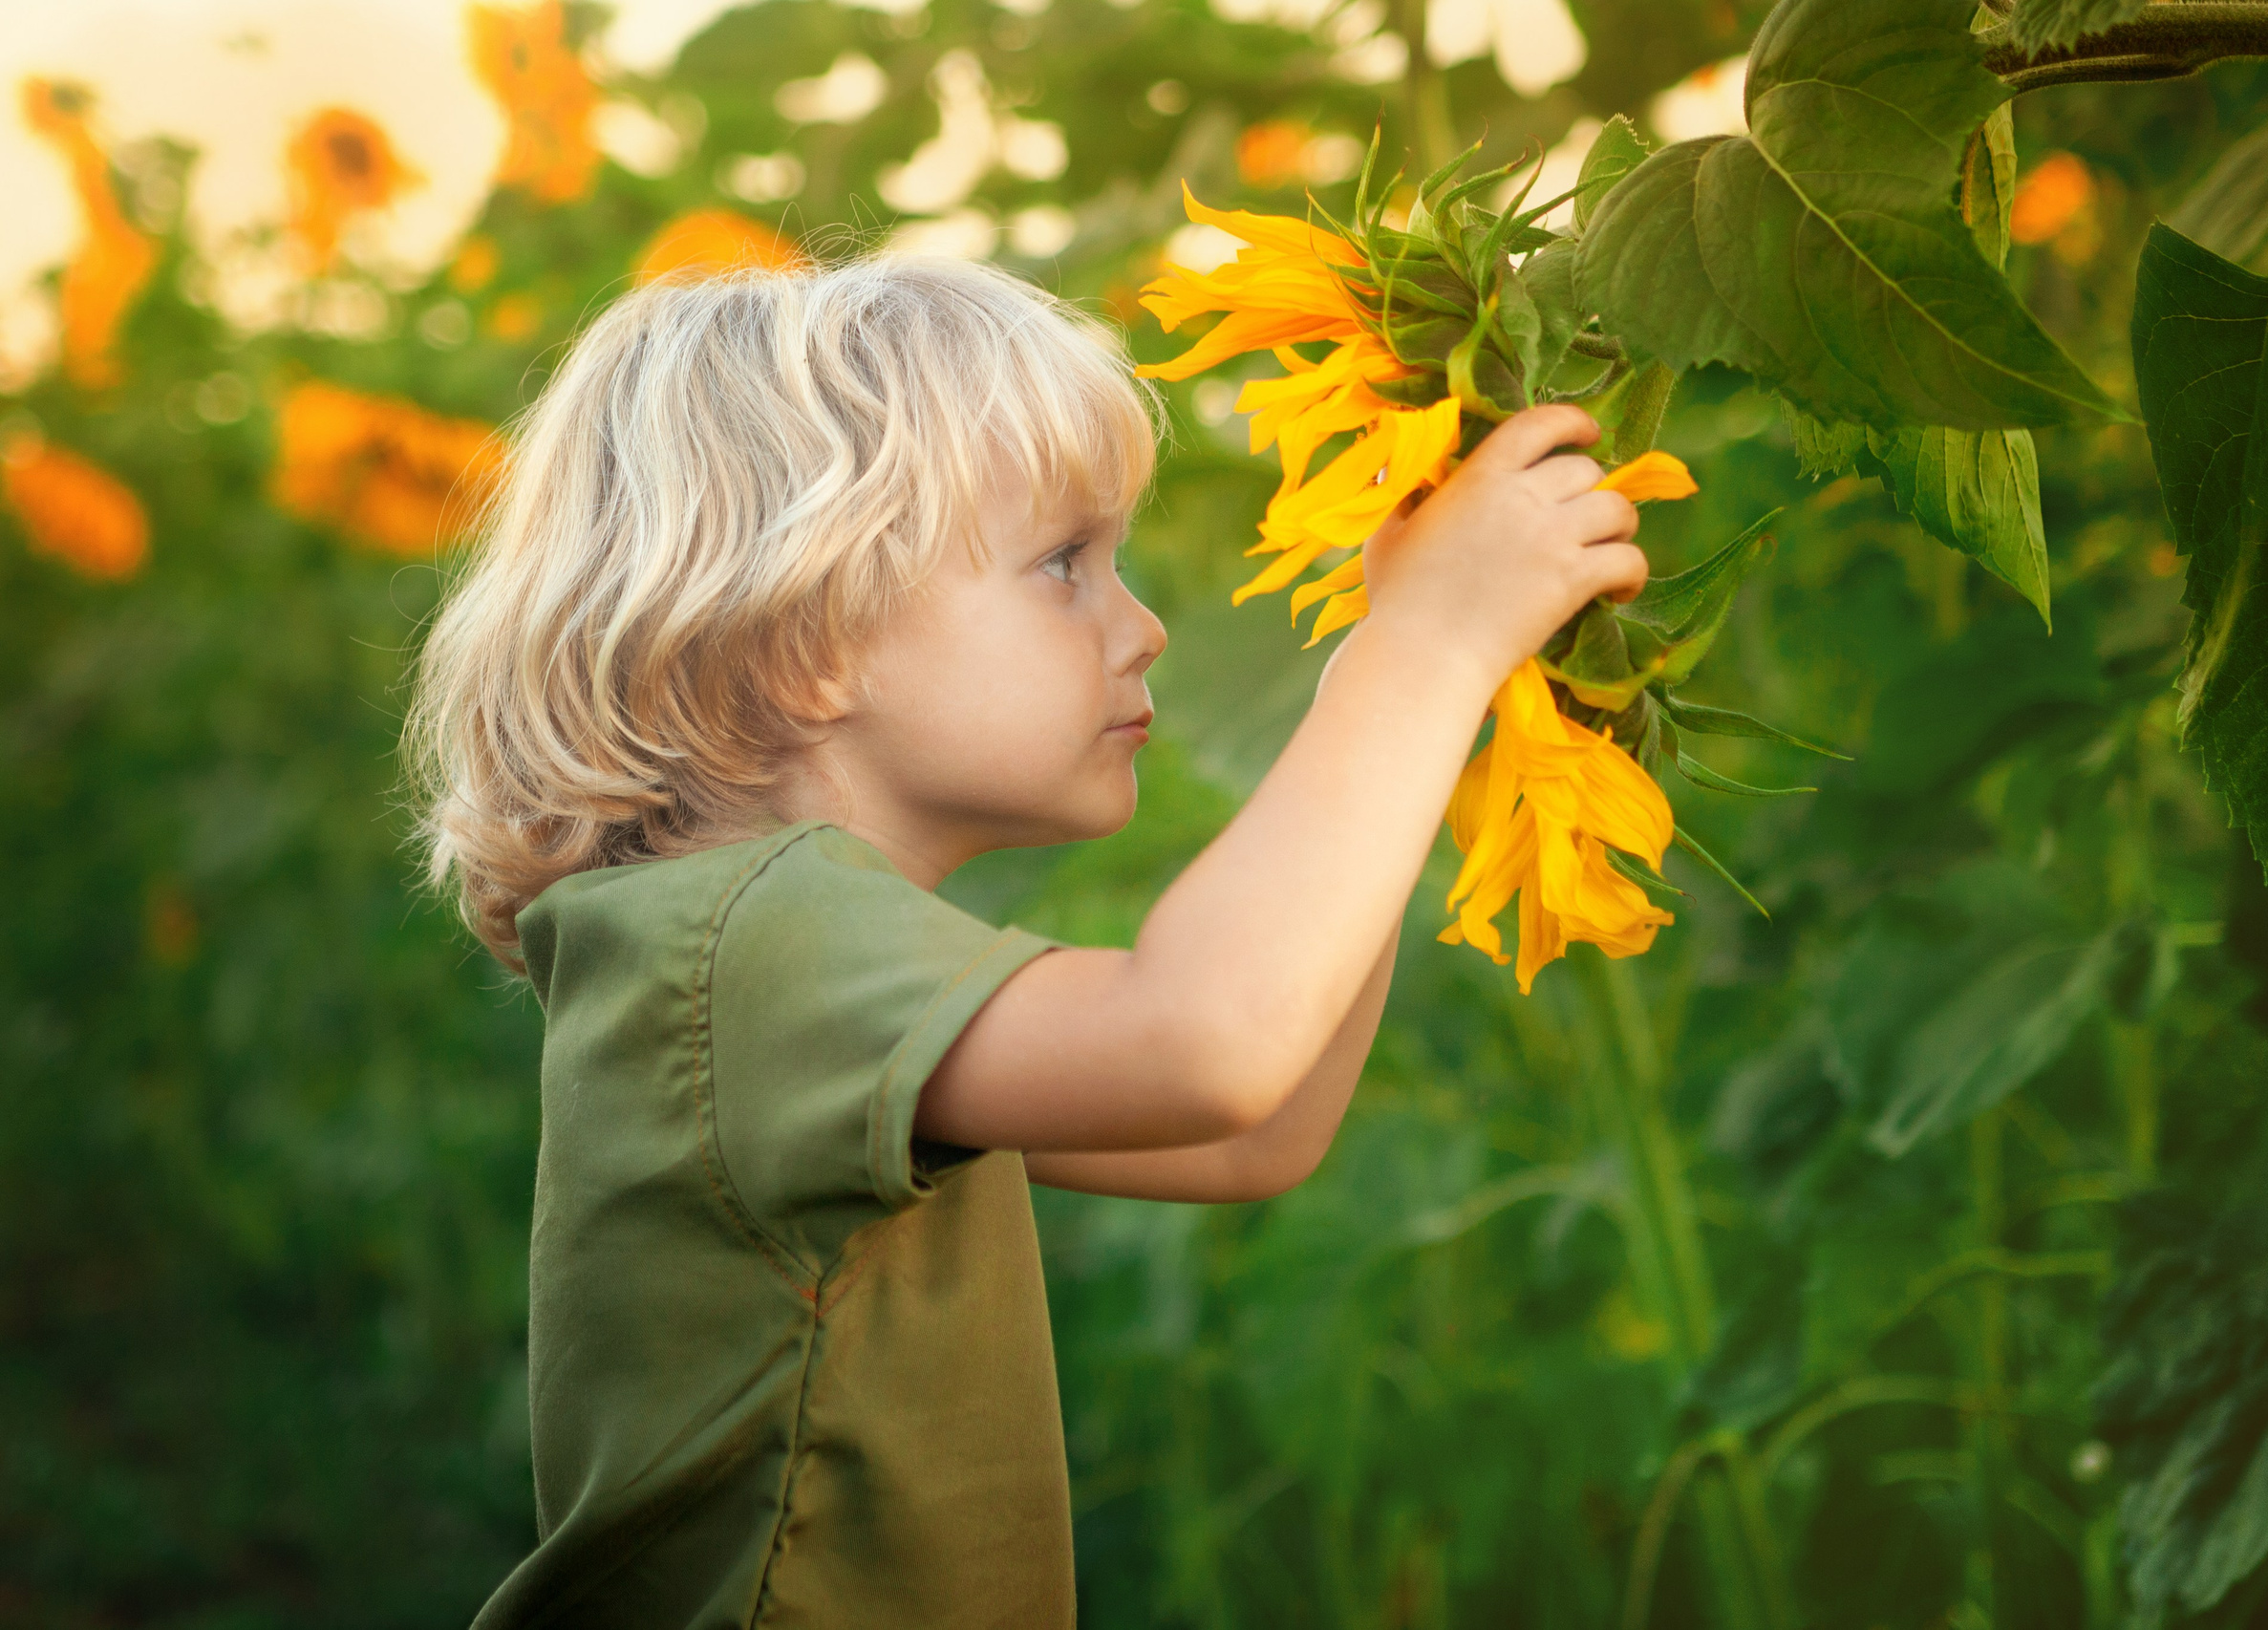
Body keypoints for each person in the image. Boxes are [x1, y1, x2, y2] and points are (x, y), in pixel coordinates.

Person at [405, 254, 1643, 1629]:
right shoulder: (751, 938)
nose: (1142, 625)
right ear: (812, 636)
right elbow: (1208, 1047)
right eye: (1064, 564)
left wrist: (1414, 713)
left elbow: (1253, 1128)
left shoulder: (778, 948)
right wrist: (1424, 652)